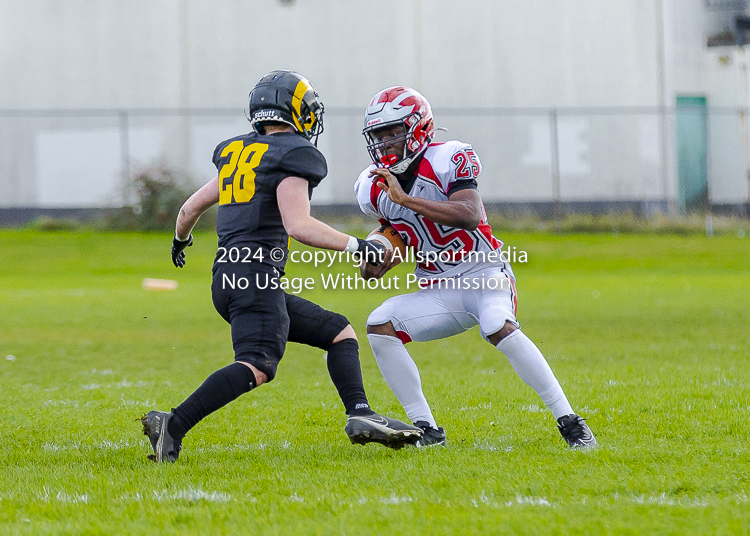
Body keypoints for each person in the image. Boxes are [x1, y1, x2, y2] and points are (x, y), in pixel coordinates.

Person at [141, 71, 422, 463]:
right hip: (255, 278)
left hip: (227, 277)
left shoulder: (238, 151)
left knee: (338, 331)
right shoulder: (292, 154)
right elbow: (299, 225)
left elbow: (191, 207)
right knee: (257, 365)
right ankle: (173, 423)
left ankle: (360, 414)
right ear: (295, 110)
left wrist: (181, 240)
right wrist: (360, 246)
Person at [354, 86, 596, 448]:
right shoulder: (372, 186)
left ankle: (570, 420)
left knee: (497, 324)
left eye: (393, 133)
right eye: (378, 135)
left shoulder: (447, 158)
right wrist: (377, 260)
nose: (385, 143)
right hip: (437, 289)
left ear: (418, 129)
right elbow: (399, 233)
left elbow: (467, 214)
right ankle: (427, 429)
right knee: (379, 323)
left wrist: (406, 200)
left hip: (485, 275)